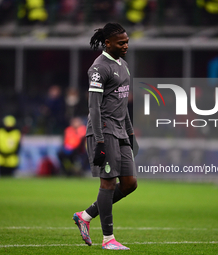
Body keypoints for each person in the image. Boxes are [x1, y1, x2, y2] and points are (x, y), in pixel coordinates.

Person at [72, 23, 139, 250]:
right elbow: (94, 107)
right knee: (108, 183)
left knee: (130, 183)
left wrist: (130, 133)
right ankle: (108, 239)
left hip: (120, 131)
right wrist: (99, 139)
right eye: (121, 43)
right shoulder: (99, 68)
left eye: (127, 41)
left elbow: (122, 105)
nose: (126, 45)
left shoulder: (124, 66)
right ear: (108, 43)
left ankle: (86, 215)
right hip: (104, 131)